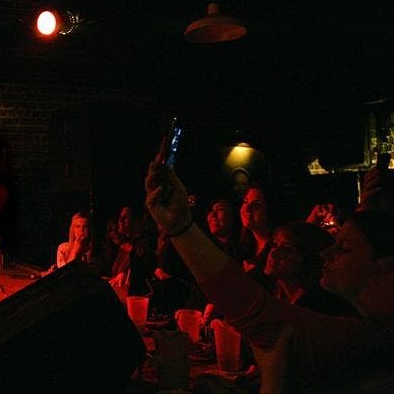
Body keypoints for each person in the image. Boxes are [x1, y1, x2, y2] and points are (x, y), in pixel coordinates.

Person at [145, 150, 394, 392]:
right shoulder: (368, 330)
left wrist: (180, 228)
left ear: (386, 269)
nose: (325, 253)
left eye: (344, 249)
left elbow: (257, 313)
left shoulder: (365, 339)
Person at [264, 221, 357, 316]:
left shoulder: (321, 308)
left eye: (287, 249)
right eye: (275, 245)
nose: (273, 254)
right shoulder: (262, 287)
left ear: (309, 257)